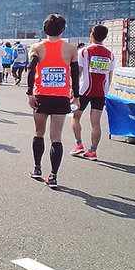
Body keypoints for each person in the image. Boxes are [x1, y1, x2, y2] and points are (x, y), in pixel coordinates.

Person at [27, 14, 80, 188]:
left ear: (45, 28)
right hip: (61, 96)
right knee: (56, 137)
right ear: (63, 29)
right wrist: (76, 96)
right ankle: (53, 176)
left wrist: (30, 93)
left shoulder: (37, 47)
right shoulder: (71, 49)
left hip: (41, 95)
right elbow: (74, 75)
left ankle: (37, 168)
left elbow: (31, 70)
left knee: (38, 132)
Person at [70, 25, 115, 160]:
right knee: (96, 122)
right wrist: (106, 91)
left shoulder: (84, 51)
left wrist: (73, 90)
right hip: (101, 92)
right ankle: (93, 151)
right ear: (105, 37)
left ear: (92, 35)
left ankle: (79, 145)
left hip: (84, 90)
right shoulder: (110, 54)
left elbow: (77, 72)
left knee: (76, 117)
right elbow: (110, 75)